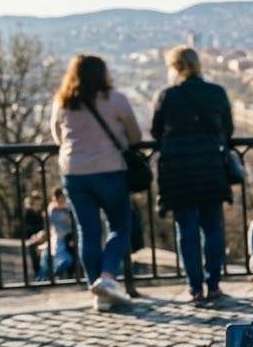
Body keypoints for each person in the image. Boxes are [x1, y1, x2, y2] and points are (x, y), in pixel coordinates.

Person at [50, 55, 140, 310]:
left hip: (74, 173)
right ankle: (107, 277)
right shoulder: (116, 100)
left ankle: (97, 290)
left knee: (87, 231)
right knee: (120, 226)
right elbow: (135, 135)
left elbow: (57, 136)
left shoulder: (62, 102)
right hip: (110, 170)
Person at [151, 46, 233, 304]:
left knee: (186, 229)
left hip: (179, 170)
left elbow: (156, 131)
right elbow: (227, 129)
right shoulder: (216, 92)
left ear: (175, 68)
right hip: (210, 166)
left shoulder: (168, 96)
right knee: (213, 228)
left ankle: (195, 287)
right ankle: (214, 284)